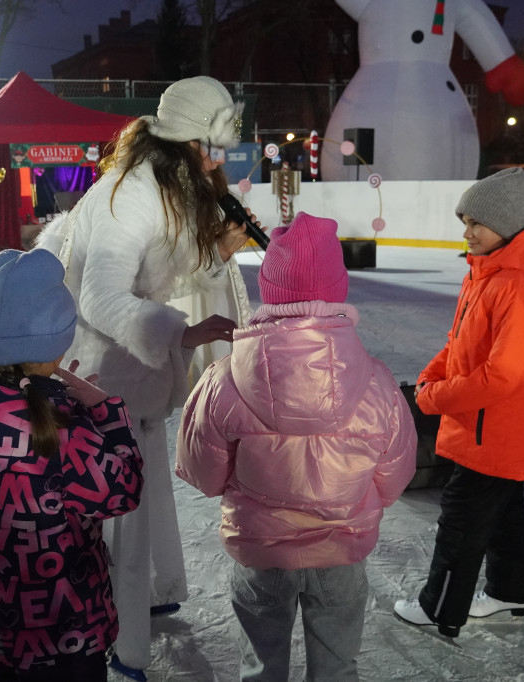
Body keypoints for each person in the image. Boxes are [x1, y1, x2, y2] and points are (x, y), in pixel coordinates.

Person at [34, 75, 258, 680]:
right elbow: (101, 297)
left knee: (146, 476)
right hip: (104, 371)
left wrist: (216, 252)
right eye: (211, 144)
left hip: (136, 372)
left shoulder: (169, 185)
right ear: (183, 139)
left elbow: (168, 265)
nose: (218, 157)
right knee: (122, 508)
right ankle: (125, 640)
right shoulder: (130, 195)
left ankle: (156, 590)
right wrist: (175, 332)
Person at [175, 212, 418, 681]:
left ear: (271, 289)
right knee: (336, 668)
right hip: (340, 553)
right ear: (337, 289)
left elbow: (203, 473)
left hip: (262, 552)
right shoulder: (377, 383)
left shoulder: (223, 379)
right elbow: (395, 476)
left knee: (261, 668)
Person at [0, 249, 145, 681]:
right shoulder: (60, 432)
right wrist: (101, 412)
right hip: (65, 639)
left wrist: (58, 402)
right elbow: (124, 487)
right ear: (59, 339)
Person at [393, 167, 524, 637]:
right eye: (463, 221)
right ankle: (509, 592)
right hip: (487, 428)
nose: (466, 233)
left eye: (475, 224)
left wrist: (436, 398)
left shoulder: (518, 287)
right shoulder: (487, 274)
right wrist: (432, 375)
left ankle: (438, 609)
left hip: (494, 431)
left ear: (505, 226)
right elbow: (462, 343)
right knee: (503, 514)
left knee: (462, 520)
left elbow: (503, 373)